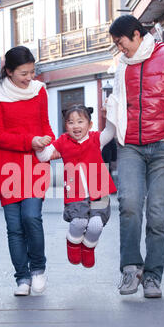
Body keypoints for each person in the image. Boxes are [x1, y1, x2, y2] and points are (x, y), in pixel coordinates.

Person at [105, 15, 164, 298]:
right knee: (130, 204)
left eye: (121, 42)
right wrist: (93, 142)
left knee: (158, 215)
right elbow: (117, 110)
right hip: (131, 146)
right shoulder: (122, 65)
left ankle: (152, 277)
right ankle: (129, 268)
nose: (119, 48)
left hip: (163, 146)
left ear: (136, 34)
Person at [0, 46, 55, 296]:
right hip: (7, 169)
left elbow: (46, 125)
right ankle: (22, 278)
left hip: (34, 166)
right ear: (9, 72)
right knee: (14, 226)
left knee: (31, 218)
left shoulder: (39, 91)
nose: (29, 78)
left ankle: (38, 269)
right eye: (24, 73)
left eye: (32, 72)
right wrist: (29, 141)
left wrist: (48, 140)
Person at [36, 105, 116, 268]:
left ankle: (88, 248)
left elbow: (110, 131)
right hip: (75, 192)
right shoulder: (63, 141)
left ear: (90, 124)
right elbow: (44, 156)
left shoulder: (96, 138)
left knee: (96, 224)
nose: (76, 126)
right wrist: (40, 143)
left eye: (80, 121)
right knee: (78, 223)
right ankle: (72, 243)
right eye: (71, 122)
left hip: (99, 189)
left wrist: (109, 113)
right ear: (66, 126)